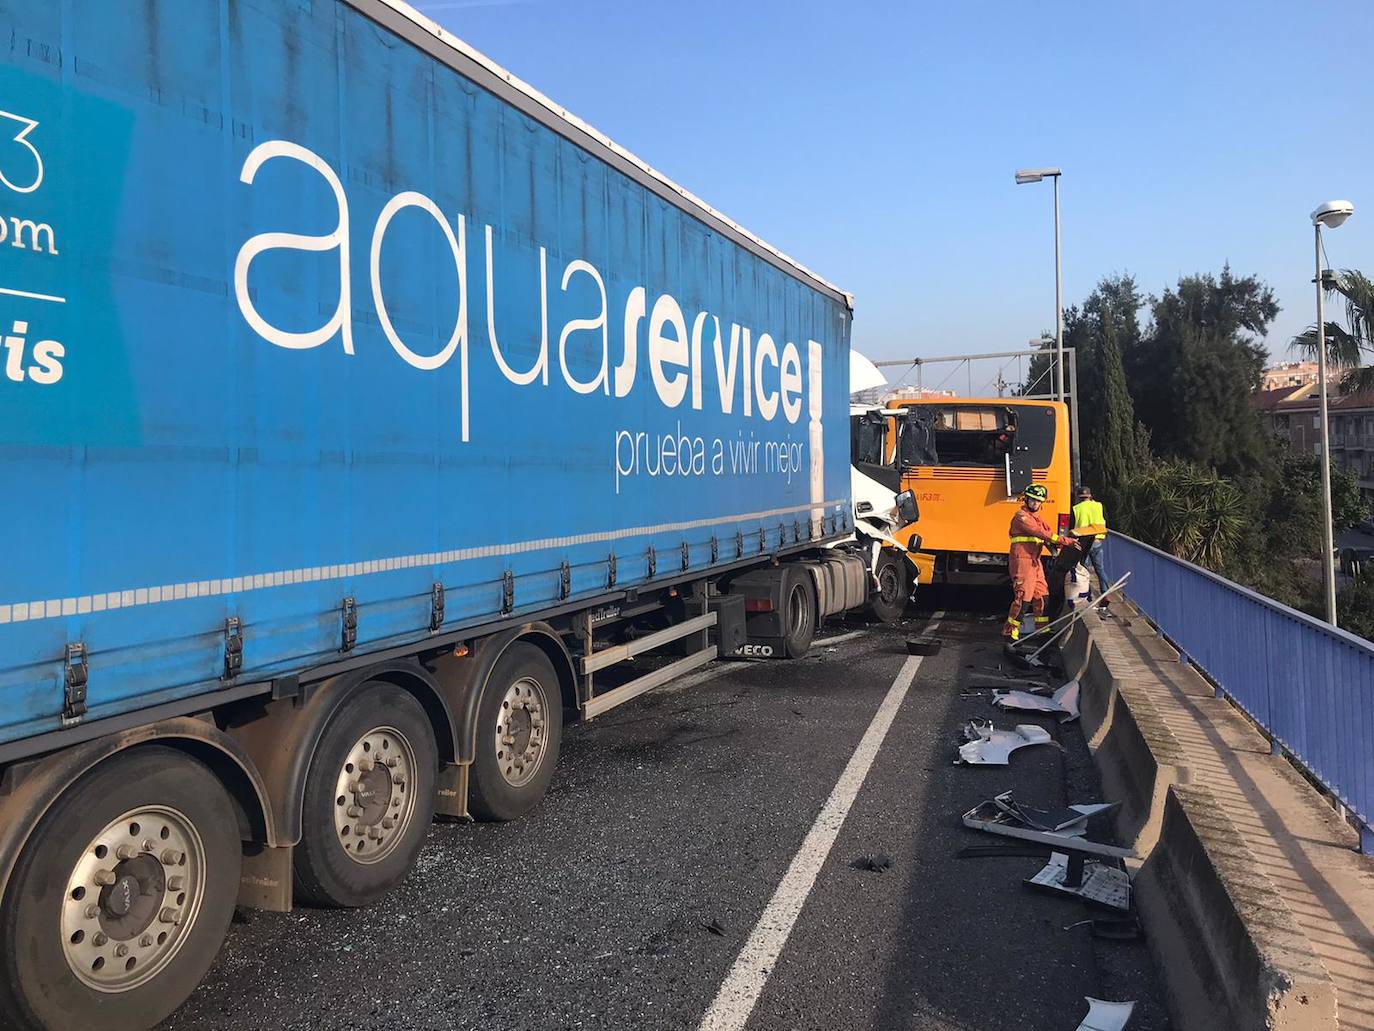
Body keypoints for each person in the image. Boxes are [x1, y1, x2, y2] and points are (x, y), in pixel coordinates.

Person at [1004, 484, 1078, 640]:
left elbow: (1048, 534)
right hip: (1023, 560)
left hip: (1034, 561)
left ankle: (1042, 630)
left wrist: (1055, 546)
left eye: (1038, 501)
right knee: (1023, 597)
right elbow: (1041, 533)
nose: (1035, 503)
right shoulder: (1021, 516)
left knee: (1042, 595)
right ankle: (1010, 632)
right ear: (1026, 499)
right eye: (1032, 500)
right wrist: (1066, 541)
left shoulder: (1038, 519)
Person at [1071, 485, 1110, 605]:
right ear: (1090, 496)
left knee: (1084, 569)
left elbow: (1073, 526)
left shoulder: (1076, 508)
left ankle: (1088, 595)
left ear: (1079, 497)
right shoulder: (1098, 506)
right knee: (1100, 569)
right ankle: (1105, 593)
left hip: (1083, 542)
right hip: (1097, 540)